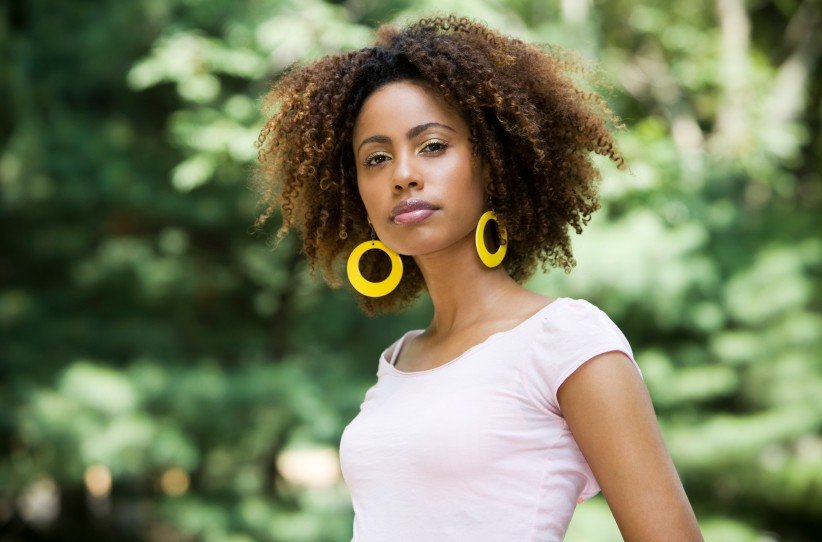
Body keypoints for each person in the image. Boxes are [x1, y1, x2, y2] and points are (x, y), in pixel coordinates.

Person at [252, 14, 703, 542]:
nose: (403, 174)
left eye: (433, 146)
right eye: (376, 158)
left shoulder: (567, 340)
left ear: (492, 164)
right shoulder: (398, 362)